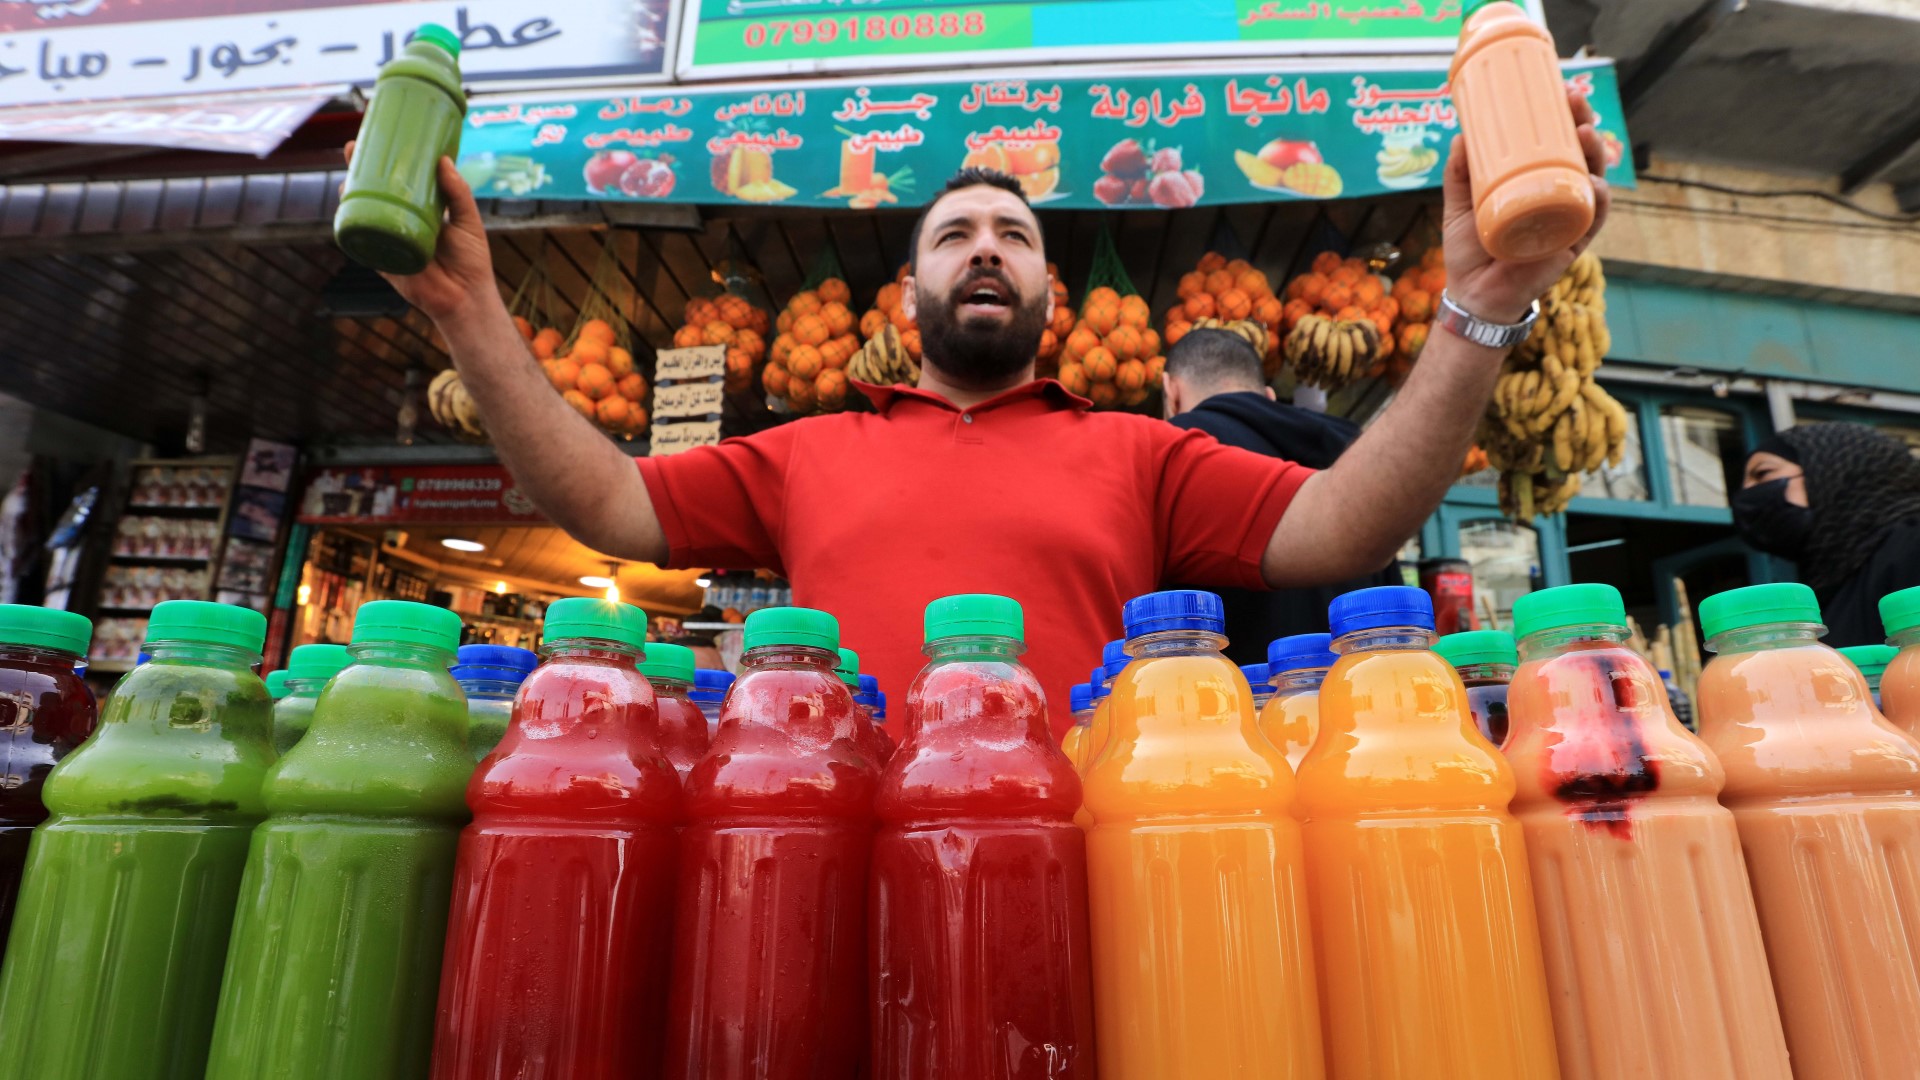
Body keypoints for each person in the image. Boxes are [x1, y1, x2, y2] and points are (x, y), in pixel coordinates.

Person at [350, 90, 1609, 733]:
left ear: (1052, 297)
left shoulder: (1143, 452)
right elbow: (603, 500)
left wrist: (1483, 305)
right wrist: (469, 311)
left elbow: (1344, 525)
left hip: (1075, 854)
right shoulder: (803, 451)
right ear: (908, 299)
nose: (988, 248)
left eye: (1014, 235)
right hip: (828, 850)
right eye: (955, 236)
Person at [1161, 328, 1402, 664]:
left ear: (1171, 392)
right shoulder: (1352, 461)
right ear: (1269, 397)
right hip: (1359, 688)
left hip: (1231, 693)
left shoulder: (1169, 457)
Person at [1734, 422, 1920, 647]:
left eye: (1762, 473)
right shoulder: (1835, 578)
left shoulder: (1911, 545)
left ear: (1831, 470)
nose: (1747, 491)